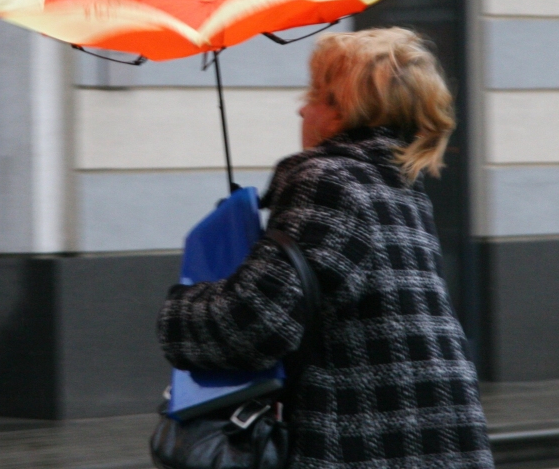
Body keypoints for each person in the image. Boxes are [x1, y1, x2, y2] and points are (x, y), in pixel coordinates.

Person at [157, 27, 494, 469]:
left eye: (315, 95)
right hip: (436, 440)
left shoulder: (328, 181)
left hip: (366, 444)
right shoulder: (399, 188)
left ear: (343, 112)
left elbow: (254, 325)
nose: (302, 107)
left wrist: (180, 307)